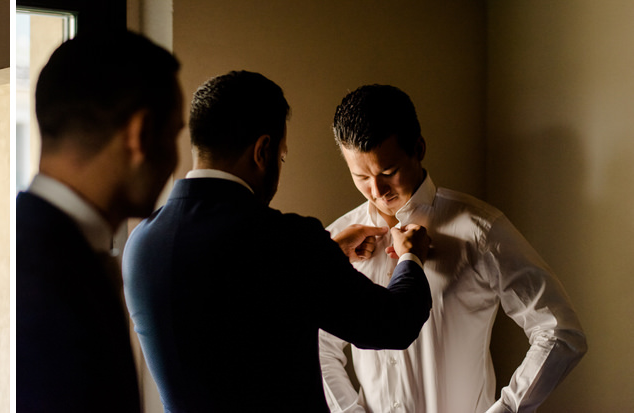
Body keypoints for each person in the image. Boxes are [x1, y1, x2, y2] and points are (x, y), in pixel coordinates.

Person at [123, 71, 433, 412]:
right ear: (263, 150)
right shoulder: (288, 242)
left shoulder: (141, 244)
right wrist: (411, 258)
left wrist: (325, 256)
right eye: (282, 156)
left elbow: (245, 298)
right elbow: (393, 325)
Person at [320, 84, 587, 413]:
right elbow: (317, 342)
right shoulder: (336, 240)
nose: (377, 191)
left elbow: (560, 331)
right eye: (360, 176)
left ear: (418, 148)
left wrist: (506, 410)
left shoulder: (480, 230)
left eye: (388, 172)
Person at [16, 31, 183, 412]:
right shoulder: (45, 283)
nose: (176, 160)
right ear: (140, 135)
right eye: (174, 133)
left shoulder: (43, 245)